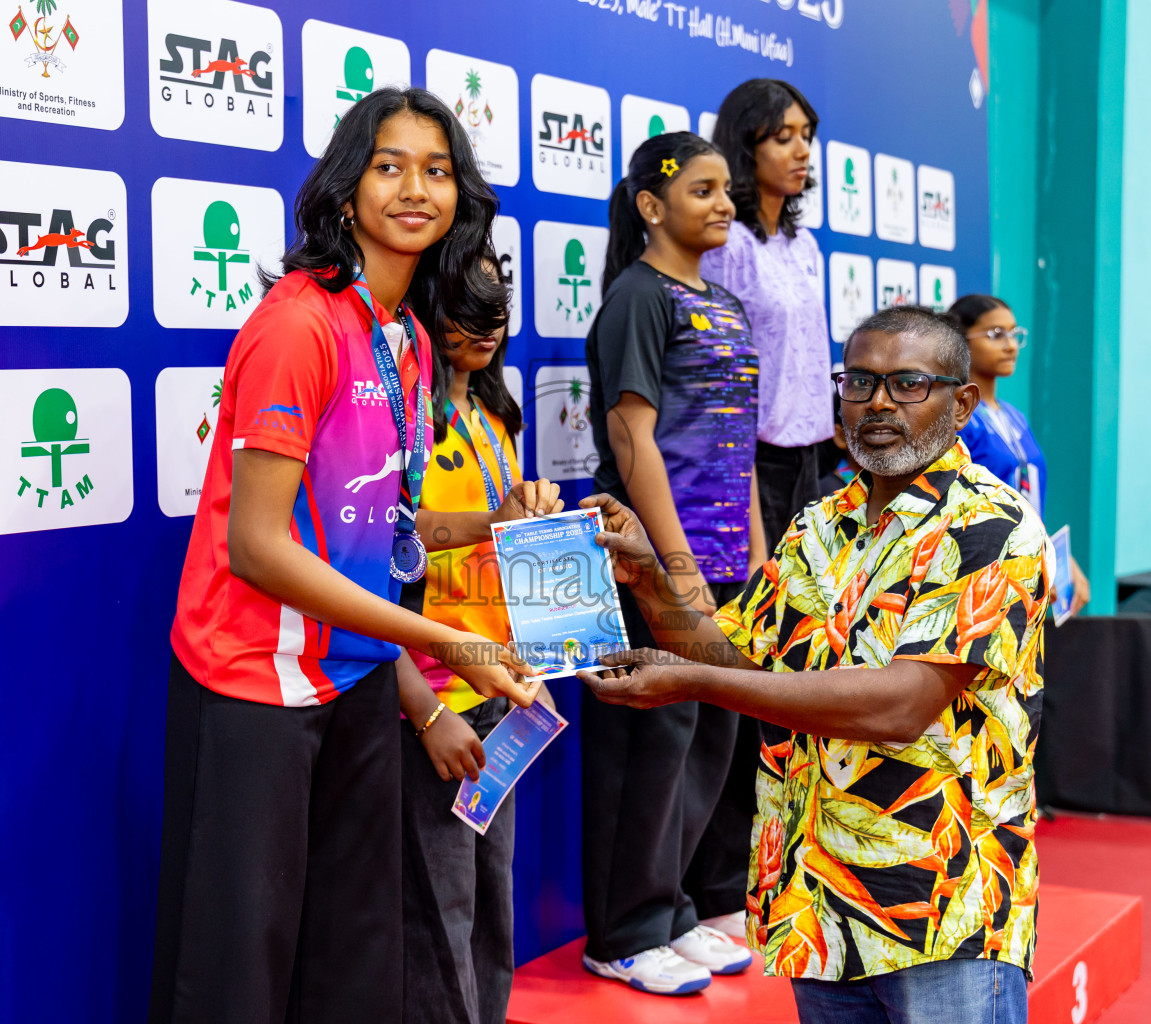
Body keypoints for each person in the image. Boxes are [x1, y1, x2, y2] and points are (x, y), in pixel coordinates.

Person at [151, 87, 541, 1024]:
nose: (416, 188)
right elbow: (259, 547)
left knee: (353, 965)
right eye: (390, 165)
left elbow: (379, 538)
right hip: (252, 688)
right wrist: (448, 649)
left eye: (438, 170)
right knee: (237, 974)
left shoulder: (404, 336)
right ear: (346, 188)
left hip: (356, 684)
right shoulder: (299, 324)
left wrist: (496, 527)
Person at [580, 306, 1050, 1024]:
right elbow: (736, 647)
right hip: (819, 907)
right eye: (859, 381)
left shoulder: (994, 525)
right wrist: (650, 581)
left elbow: (898, 705)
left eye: (907, 383)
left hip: (942, 914)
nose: (879, 402)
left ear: (961, 404)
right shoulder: (820, 523)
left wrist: (696, 683)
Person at [579, 130, 762, 995]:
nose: (724, 203)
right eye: (702, 189)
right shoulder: (637, 298)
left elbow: (739, 446)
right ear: (652, 206)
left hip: (726, 561)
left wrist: (756, 556)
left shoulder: (723, 301)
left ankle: (675, 910)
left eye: (726, 188)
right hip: (650, 564)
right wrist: (673, 564)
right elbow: (630, 436)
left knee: (705, 738)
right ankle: (623, 932)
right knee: (647, 745)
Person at [397, 255, 561, 1024]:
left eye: (498, 304)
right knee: (441, 910)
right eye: (469, 304)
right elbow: (397, 534)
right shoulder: (405, 415)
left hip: (504, 691)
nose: (490, 323)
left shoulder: (497, 413)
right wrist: (494, 522)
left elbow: (508, 549)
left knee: (493, 902)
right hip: (433, 695)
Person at [696, 80, 831, 933]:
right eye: (783, 136)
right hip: (750, 473)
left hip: (813, 466)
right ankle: (713, 890)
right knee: (740, 680)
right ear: (745, 145)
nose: (801, 151)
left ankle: (765, 873)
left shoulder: (805, 244)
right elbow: (725, 383)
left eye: (808, 135)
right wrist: (746, 504)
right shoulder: (731, 247)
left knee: (796, 677)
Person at [949, 294, 1088, 615]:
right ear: (958, 341)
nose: (1011, 345)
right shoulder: (958, 419)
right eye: (996, 335)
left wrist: (1061, 559)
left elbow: (1027, 501)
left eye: (1014, 334)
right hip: (980, 577)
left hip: (1027, 573)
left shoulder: (1014, 416)